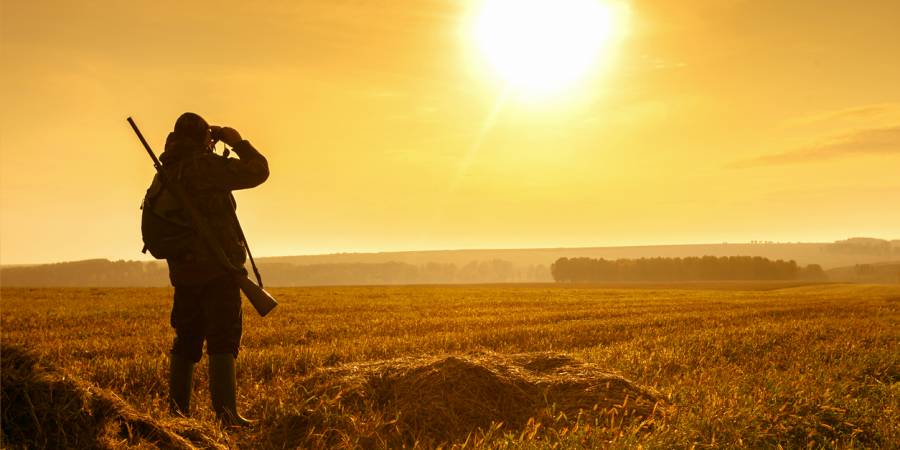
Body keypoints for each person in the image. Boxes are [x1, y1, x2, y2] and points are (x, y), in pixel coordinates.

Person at [160, 112, 269, 426]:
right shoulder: (202, 166)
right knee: (222, 338)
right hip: (217, 269)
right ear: (202, 138)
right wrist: (237, 142)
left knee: (187, 338)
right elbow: (258, 171)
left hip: (184, 271)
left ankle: (177, 415)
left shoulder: (169, 169)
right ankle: (227, 415)